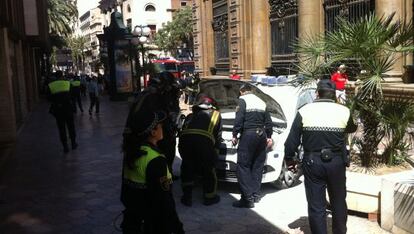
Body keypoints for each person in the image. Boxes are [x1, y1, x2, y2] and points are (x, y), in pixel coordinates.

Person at [284, 79, 357, 234]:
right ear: (335, 95)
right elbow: (352, 127)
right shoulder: (344, 110)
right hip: (337, 162)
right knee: (338, 202)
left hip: (312, 162)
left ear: (317, 93)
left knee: (316, 205)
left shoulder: (304, 111)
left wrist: (289, 159)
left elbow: (292, 140)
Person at [121, 111, 184, 234]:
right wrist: (177, 228)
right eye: (160, 126)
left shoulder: (132, 152)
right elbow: (164, 200)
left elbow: (125, 192)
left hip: (133, 219)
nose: (163, 128)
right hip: (152, 223)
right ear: (153, 132)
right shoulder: (155, 159)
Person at [125, 71, 181, 176]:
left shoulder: (149, 94)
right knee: (165, 150)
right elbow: (159, 115)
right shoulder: (153, 95)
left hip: (144, 133)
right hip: (149, 132)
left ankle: (167, 171)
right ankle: (165, 172)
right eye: (168, 87)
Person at [231, 84, 273, 208]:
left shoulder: (243, 100)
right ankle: (255, 195)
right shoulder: (261, 101)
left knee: (243, 165)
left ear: (242, 91)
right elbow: (268, 122)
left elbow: (239, 118)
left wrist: (235, 134)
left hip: (248, 135)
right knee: (257, 165)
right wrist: (269, 136)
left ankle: (247, 198)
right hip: (261, 135)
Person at [178, 95, 222, 206]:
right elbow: (218, 135)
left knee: (187, 166)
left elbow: (183, 129)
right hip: (203, 142)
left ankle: (187, 197)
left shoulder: (190, 116)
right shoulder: (216, 114)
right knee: (209, 169)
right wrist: (215, 152)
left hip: (185, 141)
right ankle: (209, 197)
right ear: (211, 106)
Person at [47, 70, 77, 153]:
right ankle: (73, 144)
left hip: (58, 110)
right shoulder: (67, 83)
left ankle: (65, 147)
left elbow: (48, 98)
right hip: (68, 108)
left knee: (61, 128)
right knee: (71, 126)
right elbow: (73, 94)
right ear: (62, 75)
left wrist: (56, 100)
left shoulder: (51, 85)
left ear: (55, 76)